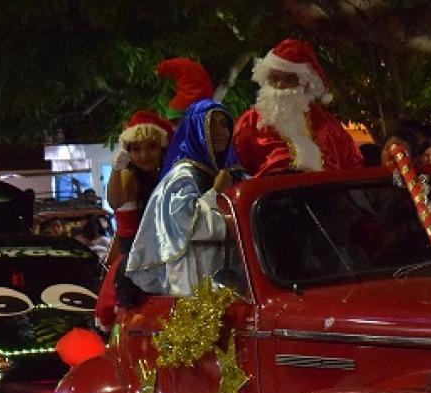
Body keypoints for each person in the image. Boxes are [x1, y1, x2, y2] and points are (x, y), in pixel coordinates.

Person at [127, 99, 241, 296]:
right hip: (196, 281)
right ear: (196, 130)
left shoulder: (229, 171)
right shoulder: (183, 175)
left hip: (230, 279)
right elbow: (188, 226)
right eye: (211, 125)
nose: (220, 132)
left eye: (224, 124)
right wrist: (215, 192)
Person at [233, 38, 362, 176]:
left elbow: (353, 162)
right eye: (274, 78)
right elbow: (236, 169)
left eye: (289, 79)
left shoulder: (326, 123)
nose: (280, 85)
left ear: (305, 84)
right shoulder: (249, 122)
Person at [105, 110, 173, 267]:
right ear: (127, 152)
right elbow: (114, 202)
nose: (144, 155)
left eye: (152, 147)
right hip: (134, 266)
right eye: (136, 149)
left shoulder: (165, 177)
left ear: (162, 149)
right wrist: (116, 170)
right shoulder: (128, 176)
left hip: (161, 260)